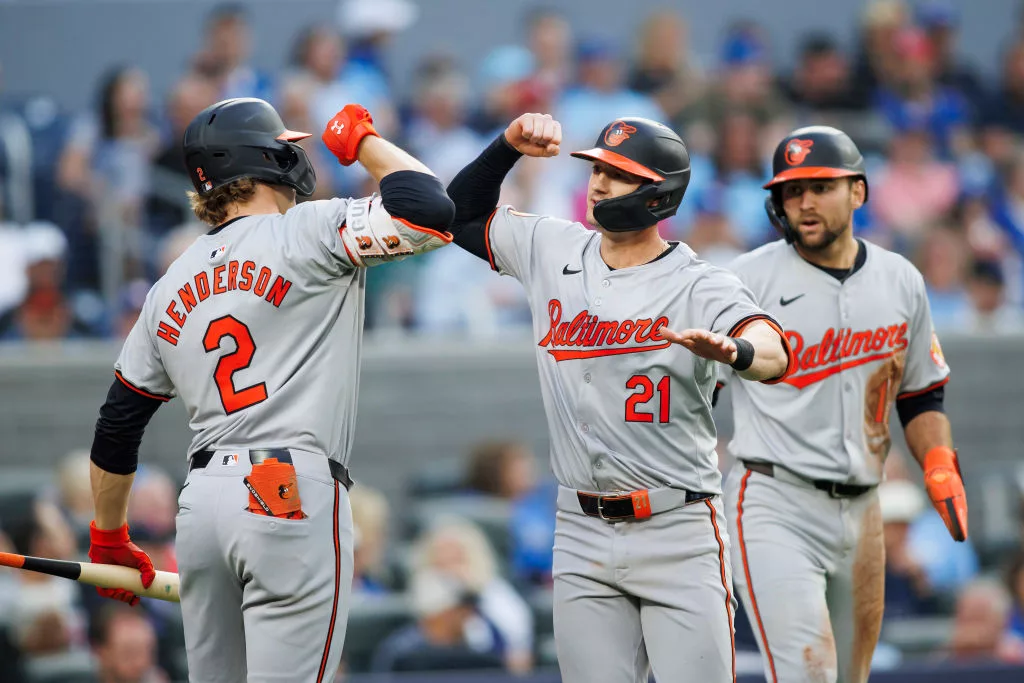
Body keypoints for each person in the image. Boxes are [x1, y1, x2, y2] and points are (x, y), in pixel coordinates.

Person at [84, 96, 454, 682]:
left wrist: (107, 535)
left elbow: (117, 426)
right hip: (288, 491)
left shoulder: (167, 283)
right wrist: (359, 142)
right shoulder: (305, 230)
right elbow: (430, 211)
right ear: (267, 157)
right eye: (289, 144)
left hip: (202, 505)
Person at [444, 113, 793, 682]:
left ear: (659, 193)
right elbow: (457, 213)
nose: (600, 184)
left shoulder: (698, 282)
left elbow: (773, 348)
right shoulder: (552, 246)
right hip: (580, 527)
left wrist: (737, 352)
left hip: (676, 527)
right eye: (598, 169)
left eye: (620, 174)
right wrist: (507, 146)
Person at [718, 125, 969, 683]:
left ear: (858, 191)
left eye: (820, 186)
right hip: (773, 499)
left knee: (852, 676)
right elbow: (695, 386)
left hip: (865, 506)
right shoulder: (744, 280)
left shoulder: (900, 279)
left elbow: (922, 390)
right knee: (809, 674)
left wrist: (938, 462)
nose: (804, 202)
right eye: (791, 190)